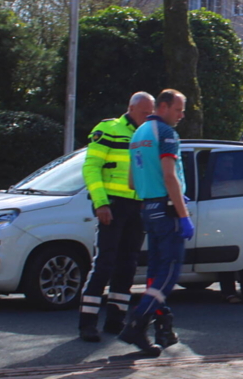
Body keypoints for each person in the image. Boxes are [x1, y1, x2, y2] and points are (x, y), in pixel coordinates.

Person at [78, 91, 155, 342]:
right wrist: (101, 203)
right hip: (112, 204)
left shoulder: (148, 134)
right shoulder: (109, 129)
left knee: (128, 264)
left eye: (150, 113)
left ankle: (116, 320)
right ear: (131, 108)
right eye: (144, 113)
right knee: (104, 264)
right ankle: (88, 323)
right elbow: (91, 168)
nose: (147, 117)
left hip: (137, 206)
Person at [121, 89, 194, 355]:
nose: (181, 115)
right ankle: (137, 322)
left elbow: (132, 181)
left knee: (155, 271)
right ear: (162, 107)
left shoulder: (138, 134)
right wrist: (183, 214)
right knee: (170, 272)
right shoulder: (165, 133)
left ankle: (160, 327)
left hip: (148, 207)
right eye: (178, 109)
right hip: (166, 209)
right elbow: (169, 175)